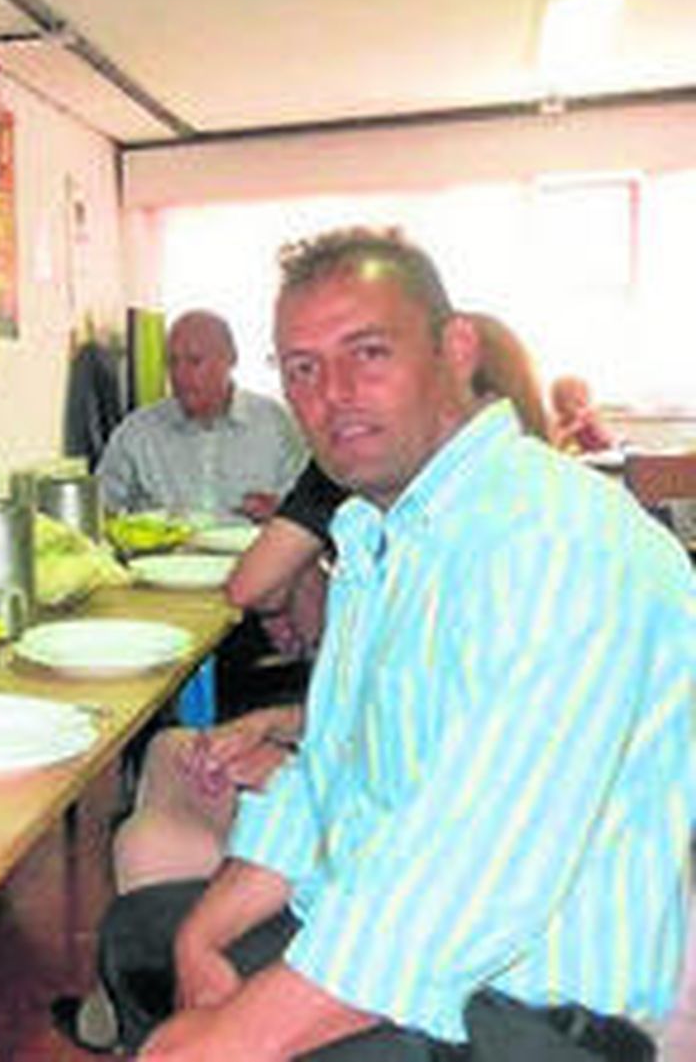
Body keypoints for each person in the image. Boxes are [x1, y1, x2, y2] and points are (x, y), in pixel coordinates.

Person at [99, 230, 694, 1060]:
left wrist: (231, 1035)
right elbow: (327, 776)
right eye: (301, 367)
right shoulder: (384, 535)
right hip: (392, 925)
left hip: (526, 1005)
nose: (332, 393)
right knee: (142, 938)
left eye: (367, 351)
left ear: (455, 350)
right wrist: (202, 935)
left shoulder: (556, 542)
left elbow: (469, 878)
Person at [96, 309, 305, 522]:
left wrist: (282, 511)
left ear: (231, 359)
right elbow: (100, 509)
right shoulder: (138, 433)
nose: (180, 374)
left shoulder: (275, 426)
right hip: (163, 555)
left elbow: (312, 513)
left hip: (258, 552)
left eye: (194, 361)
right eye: (172, 362)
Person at [550, 374, 615, 454]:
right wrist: (573, 428)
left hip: (597, 454)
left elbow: (606, 439)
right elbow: (555, 444)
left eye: (586, 402)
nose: (584, 407)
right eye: (578, 403)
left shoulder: (588, 420)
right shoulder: (560, 422)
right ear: (561, 405)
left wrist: (594, 424)